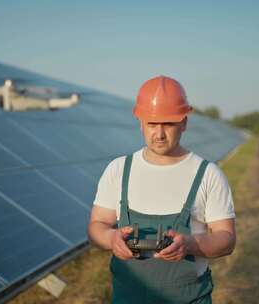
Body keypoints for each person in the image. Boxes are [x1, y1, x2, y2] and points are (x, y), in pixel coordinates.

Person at [87, 75, 236, 304]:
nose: (159, 134)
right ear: (140, 122)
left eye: (168, 124)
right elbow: (97, 227)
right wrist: (111, 239)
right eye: (152, 124)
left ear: (184, 122)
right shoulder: (118, 170)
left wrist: (189, 244)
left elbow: (226, 239)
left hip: (188, 298)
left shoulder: (208, 174)